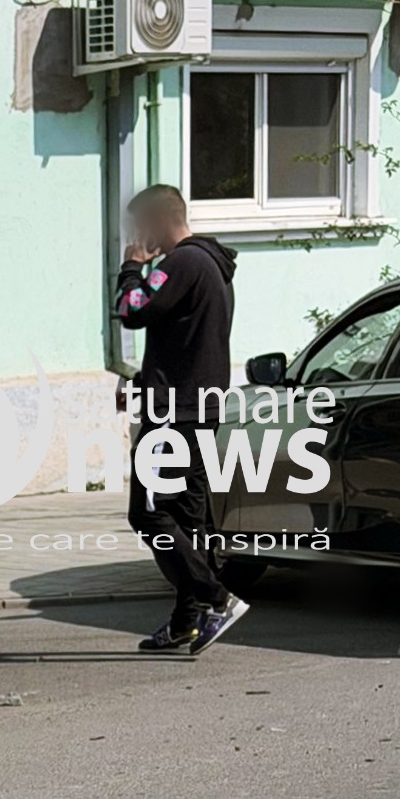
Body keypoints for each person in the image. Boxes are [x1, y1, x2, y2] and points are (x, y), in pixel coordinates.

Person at [116, 184, 249, 655]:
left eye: (140, 226)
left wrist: (133, 266)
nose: (138, 235)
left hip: (175, 415)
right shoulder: (211, 266)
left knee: (149, 512)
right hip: (196, 409)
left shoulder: (184, 263)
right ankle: (186, 622)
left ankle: (214, 597)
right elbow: (182, 343)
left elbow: (131, 310)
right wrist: (139, 377)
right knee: (186, 520)